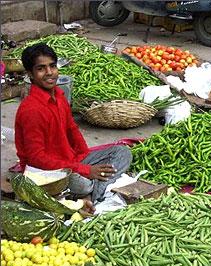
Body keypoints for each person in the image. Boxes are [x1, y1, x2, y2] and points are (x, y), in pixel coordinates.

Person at [15, 43, 132, 213]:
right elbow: (36, 159)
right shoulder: (31, 110)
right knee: (82, 184)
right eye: (41, 68)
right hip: (47, 172)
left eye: (52, 66)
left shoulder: (60, 95)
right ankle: (92, 194)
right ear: (30, 74)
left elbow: (72, 129)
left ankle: (90, 198)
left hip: (71, 161)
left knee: (122, 152)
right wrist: (85, 169)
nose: (49, 72)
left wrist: (85, 159)